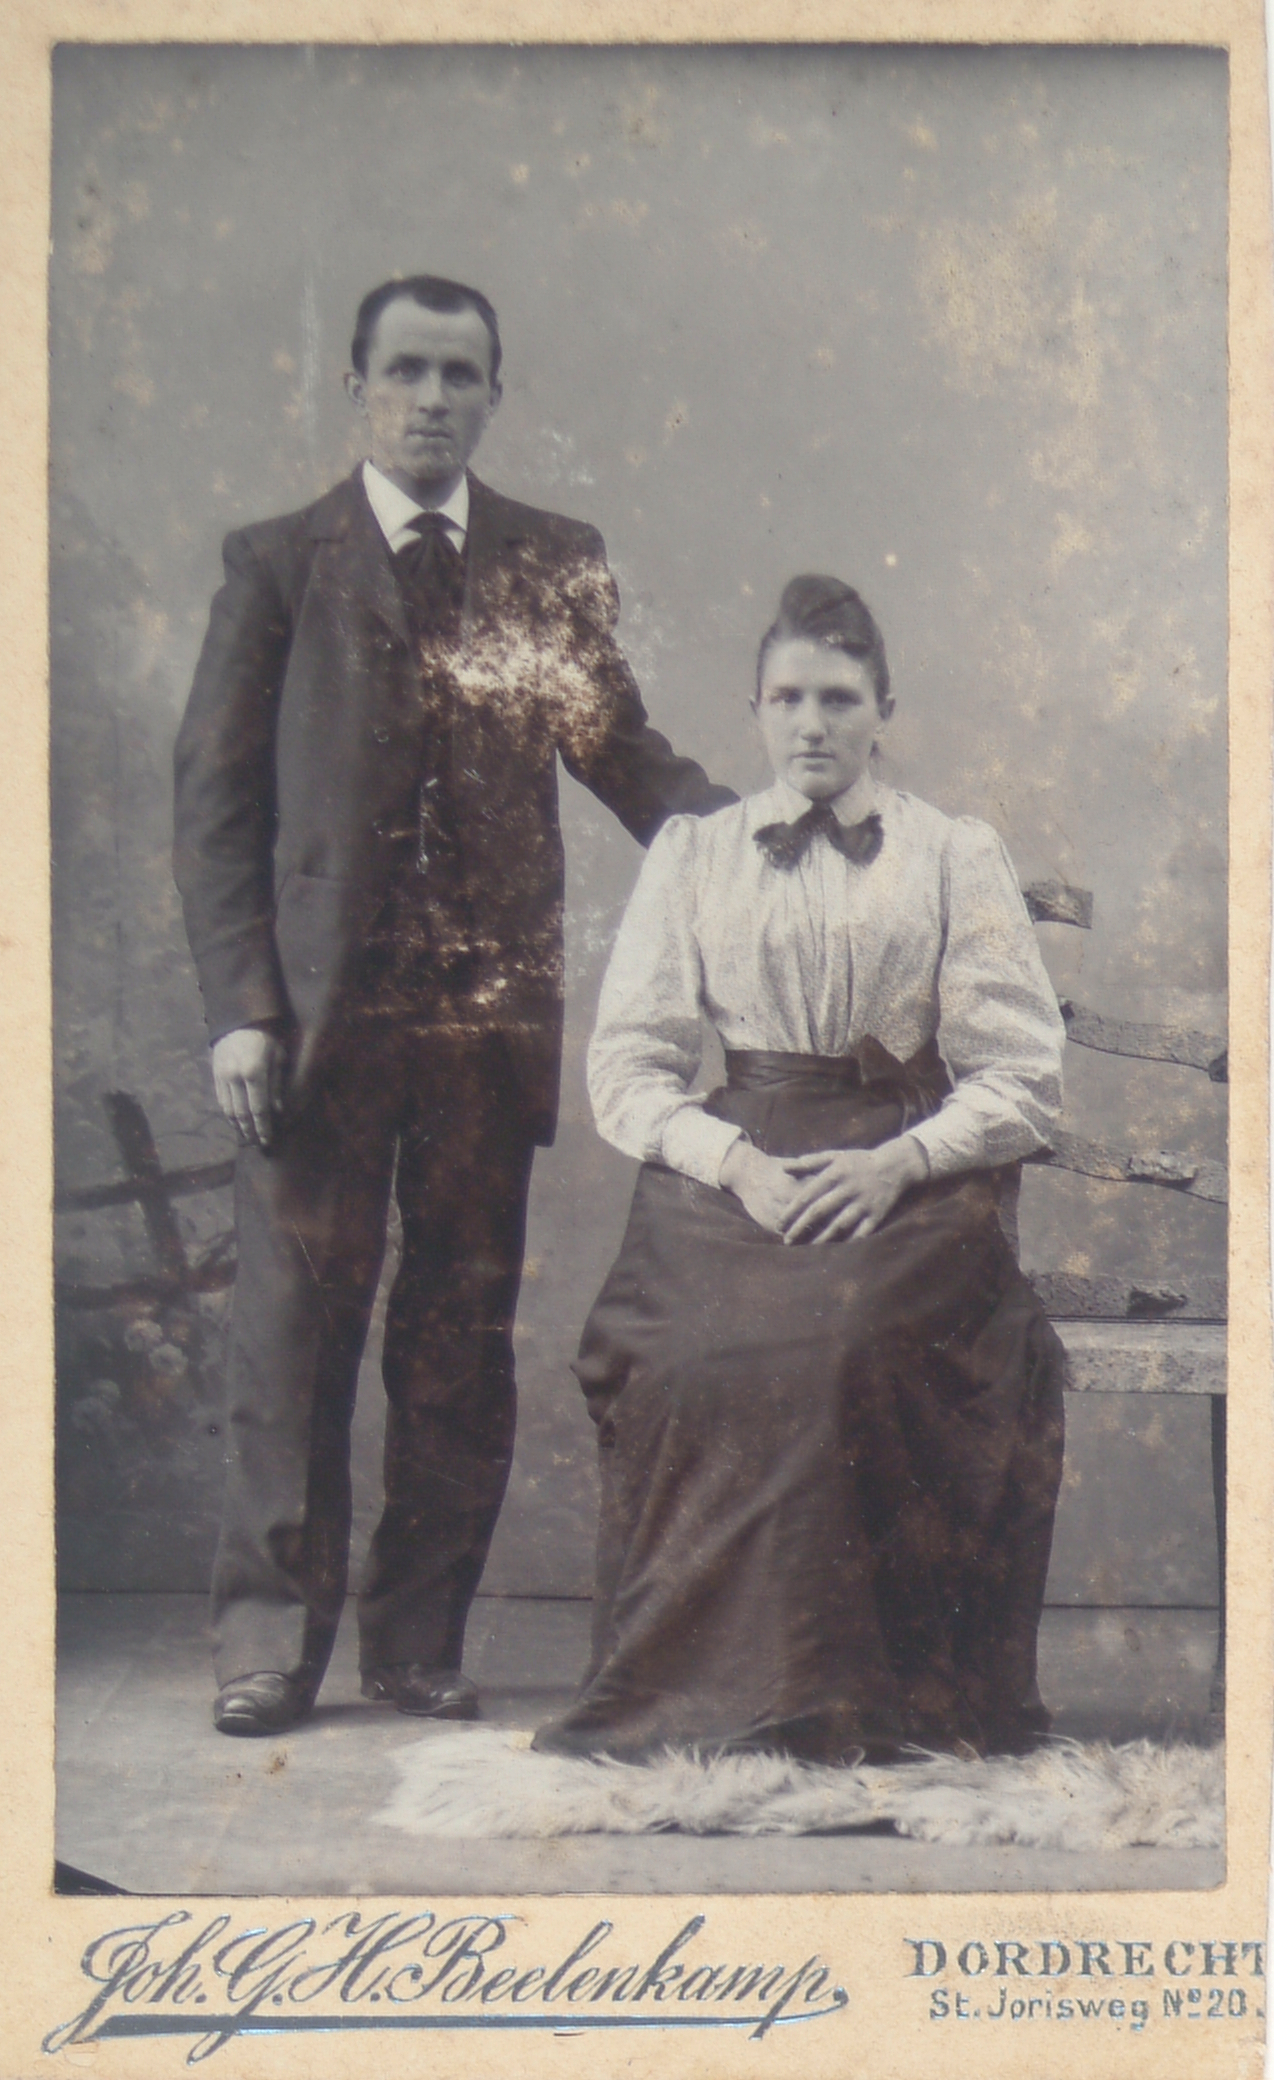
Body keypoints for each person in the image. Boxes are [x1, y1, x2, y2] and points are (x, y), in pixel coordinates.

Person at [173, 274, 732, 1737]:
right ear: (355, 384)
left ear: (494, 393)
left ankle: (416, 1642)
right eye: (405, 370)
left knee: (456, 1336)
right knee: (291, 1339)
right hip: (311, 1035)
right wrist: (240, 1008)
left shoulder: (552, 561)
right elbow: (215, 806)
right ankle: (265, 1648)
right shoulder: (278, 565)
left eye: (458, 374)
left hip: (482, 1032)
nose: (430, 398)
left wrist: (758, 834)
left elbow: (620, 753)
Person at [534, 576, 1068, 1765]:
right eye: (787, 699)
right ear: (754, 710)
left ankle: (854, 1701)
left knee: (842, 1348)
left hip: (904, 1172)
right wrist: (731, 1162)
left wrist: (898, 1161)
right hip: (735, 1165)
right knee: (686, 1353)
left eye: (837, 698)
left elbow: (1020, 1072)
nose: (811, 724)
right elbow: (627, 1065)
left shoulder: (950, 852)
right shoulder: (694, 852)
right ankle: (696, 1701)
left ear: (883, 709)